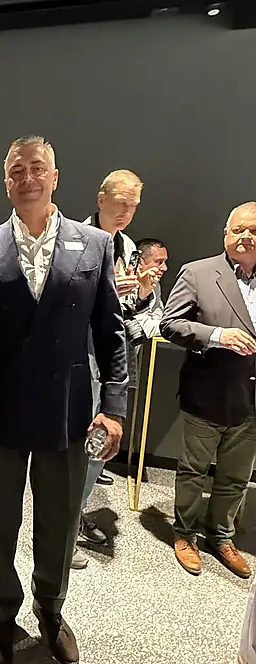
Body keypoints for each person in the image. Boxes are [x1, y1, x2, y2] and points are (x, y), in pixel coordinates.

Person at [0, 135, 128, 664]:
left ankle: (51, 607)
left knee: (59, 520)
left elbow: (110, 333)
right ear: (6, 182)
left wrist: (113, 407)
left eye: (37, 168)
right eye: (16, 170)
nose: (27, 178)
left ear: (55, 177)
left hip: (67, 412)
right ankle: (3, 613)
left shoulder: (94, 245)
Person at [160, 202, 256, 579]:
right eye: (239, 229)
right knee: (193, 470)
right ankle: (184, 534)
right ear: (225, 234)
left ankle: (221, 536)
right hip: (209, 394)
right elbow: (170, 324)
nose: (246, 236)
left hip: (251, 402)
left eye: (254, 230)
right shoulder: (198, 272)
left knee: (237, 476)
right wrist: (217, 335)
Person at [73, 171, 160, 569]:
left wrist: (140, 295)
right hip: (78, 356)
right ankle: (61, 527)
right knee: (75, 444)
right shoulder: (73, 238)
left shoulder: (127, 247)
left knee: (101, 442)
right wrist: (106, 288)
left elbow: (130, 313)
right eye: (121, 203)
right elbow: (61, 299)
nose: (127, 212)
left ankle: (73, 515)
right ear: (101, 198)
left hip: (111, 356)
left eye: (133, 206)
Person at [133, 238, 169, 338]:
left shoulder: (155, 284)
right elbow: (141, 329)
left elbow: (158, 318)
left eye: (164, 262)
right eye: (159, 262)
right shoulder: (124, 285)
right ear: (140, 262)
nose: (165, 268)